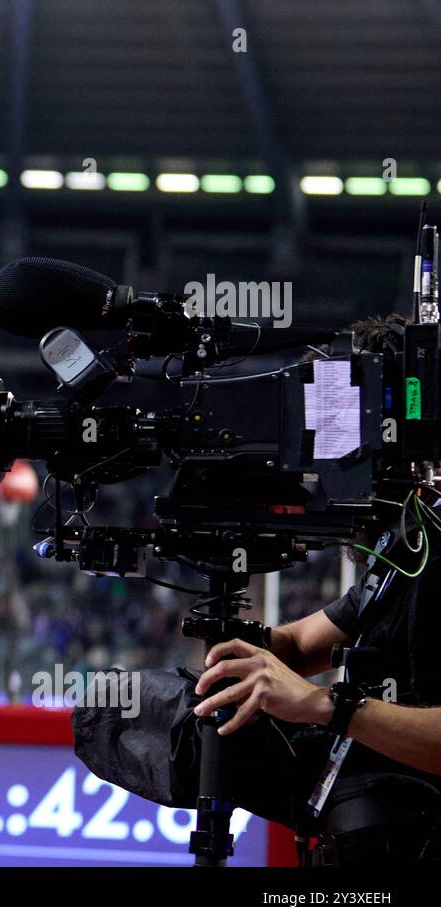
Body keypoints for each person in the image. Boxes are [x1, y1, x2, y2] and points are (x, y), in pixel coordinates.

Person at [77, 315, 441, 864]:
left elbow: (323, 697)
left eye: (341, 420)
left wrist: (324, 706)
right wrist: (247, 652)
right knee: (132, 713)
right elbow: (298, 646)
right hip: (364, 830)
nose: (323, 459)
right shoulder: (408, 546)